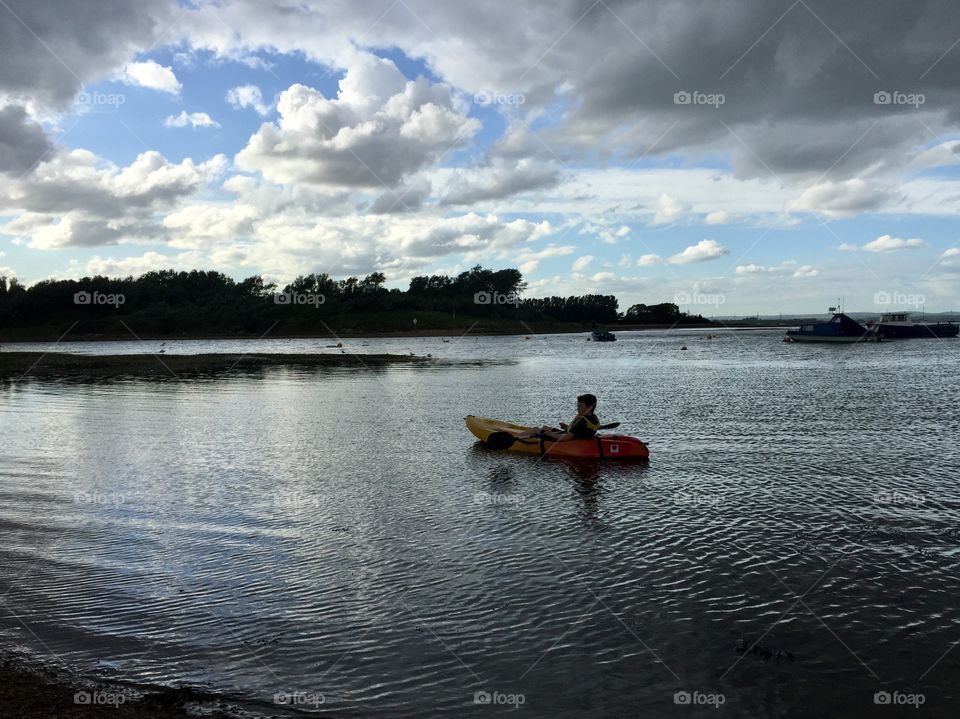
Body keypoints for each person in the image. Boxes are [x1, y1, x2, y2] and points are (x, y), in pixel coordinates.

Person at [518, 394, 600, 442]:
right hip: (575, 438)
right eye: (577, 406)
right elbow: (580, 431)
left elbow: (568, 437)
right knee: (545, 428)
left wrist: (551, 434)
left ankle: (517, 439)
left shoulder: (581, 421)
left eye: (580, 406)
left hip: (567, 441)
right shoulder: (594, 418)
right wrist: (567, 427)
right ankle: (521, 436)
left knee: (536, 429)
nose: (577, 408)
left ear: (590, 407)